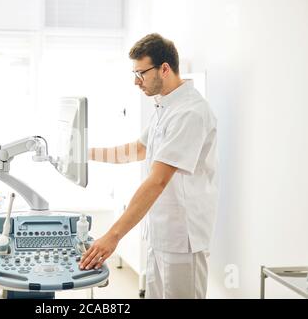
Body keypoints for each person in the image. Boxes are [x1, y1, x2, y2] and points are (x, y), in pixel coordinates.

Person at [79, 33, 219, 299]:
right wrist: (85, 154)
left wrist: (113, 236)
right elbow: (139, 149)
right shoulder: (166, 107)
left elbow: (157, 180)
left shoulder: (190, 112)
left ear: (164, 69)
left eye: (141, 73)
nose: (136, 81)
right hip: (161, 233)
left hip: (182, 238)